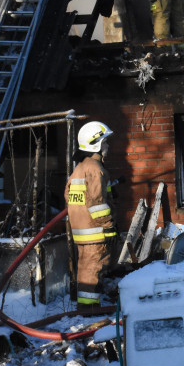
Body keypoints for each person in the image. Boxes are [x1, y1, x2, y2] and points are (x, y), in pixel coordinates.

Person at [66, 121, 118, 312]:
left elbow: (69, 196)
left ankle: (88, 307)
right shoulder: (96, 169)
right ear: (95, 144)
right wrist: (109, 225)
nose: (108, 146)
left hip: (82, 231)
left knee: (86, 269)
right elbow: (97, 202)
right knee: (93, 270)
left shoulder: (79, 168)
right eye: (105, 142)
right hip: (95, 231)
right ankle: (89, 311)